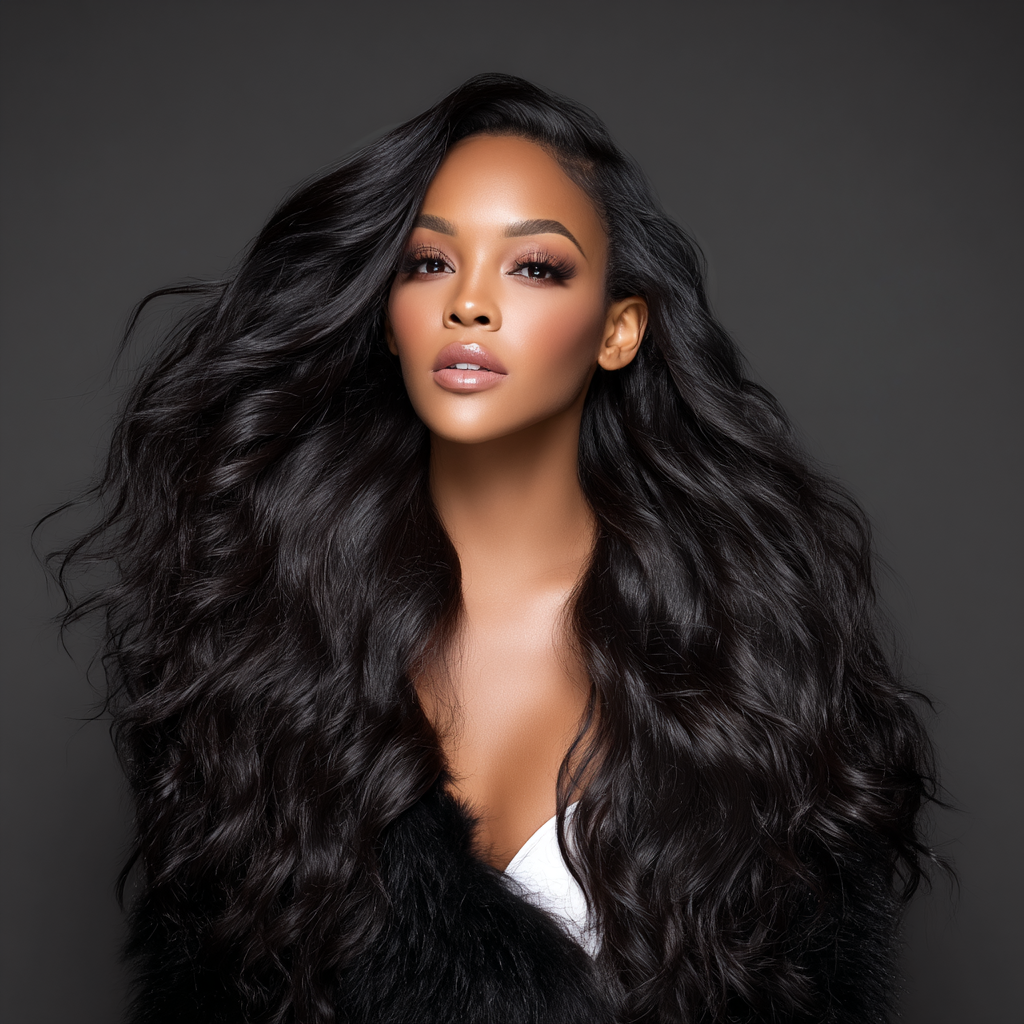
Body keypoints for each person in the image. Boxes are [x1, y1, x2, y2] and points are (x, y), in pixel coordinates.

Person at [53, 73, 938, 1023]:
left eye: (535, 268)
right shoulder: (256, 647)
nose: (469, 303)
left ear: (618, 331)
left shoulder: (757, 657)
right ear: (388, 322)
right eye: (429, 263)